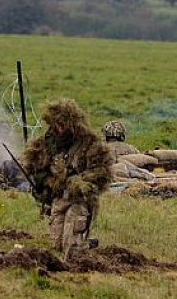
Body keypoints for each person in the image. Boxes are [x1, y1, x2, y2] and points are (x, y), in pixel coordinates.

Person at [23, 98, 113, 260]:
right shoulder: (48, 143)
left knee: (70, 244)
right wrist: (43, 184)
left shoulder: (88, 143)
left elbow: (102, 171)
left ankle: (78, 255)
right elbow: (37, 170)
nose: (61, 126)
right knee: (57, 243)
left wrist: (80, 182)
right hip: (59, 199)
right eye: (58, 123)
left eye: (64, 122)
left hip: (78, 199)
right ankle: (86, 244)